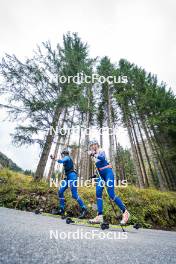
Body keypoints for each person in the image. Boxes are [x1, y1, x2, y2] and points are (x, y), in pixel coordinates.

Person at [88, 139, 130, 225]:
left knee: (111, 194)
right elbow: (98, 168)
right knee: (98, 192)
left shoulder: (101, 151)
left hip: (108, 172)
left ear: (97, 145)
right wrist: (95, 175)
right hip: (101, 175)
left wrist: (94, 154)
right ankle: (99, 216)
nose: (93, 147)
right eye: (91, 146)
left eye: (94, 145)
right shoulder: (94, 156)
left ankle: (125, 212)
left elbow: (102, 158)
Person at [50, 148, 87, 219]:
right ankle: (62, 209)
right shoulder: (66, 158)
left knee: (74, 194)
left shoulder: (67, 157)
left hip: (72, 177)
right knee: (60, 191)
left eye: (62, 155)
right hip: (68, 177)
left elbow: (61, 161)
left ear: (64, 154)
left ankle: (84, 209)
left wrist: (54, 158)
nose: (62, 156)